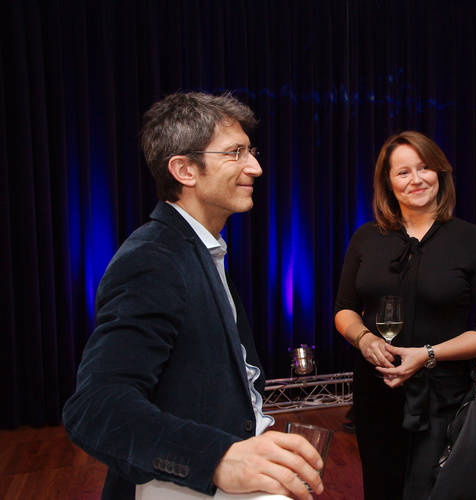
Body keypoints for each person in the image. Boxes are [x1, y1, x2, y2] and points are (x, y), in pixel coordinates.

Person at [63, 92, 324, 500]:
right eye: (235, 153)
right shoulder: (153, 258)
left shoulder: (199, 248)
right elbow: (96, 408)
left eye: (251, 151)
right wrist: (217, 458)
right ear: (185, 169)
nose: (255, 167)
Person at [334, 131, 476, 500]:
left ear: (440, 173)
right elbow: (344, 309)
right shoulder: (366, 238)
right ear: (388, 183)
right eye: (403, 172)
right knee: (381, 489)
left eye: (425, 167)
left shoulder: (473, 240)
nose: (416, 179)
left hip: (444, 399)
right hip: (377, 393)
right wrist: (363, 338)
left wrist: (428, 354)